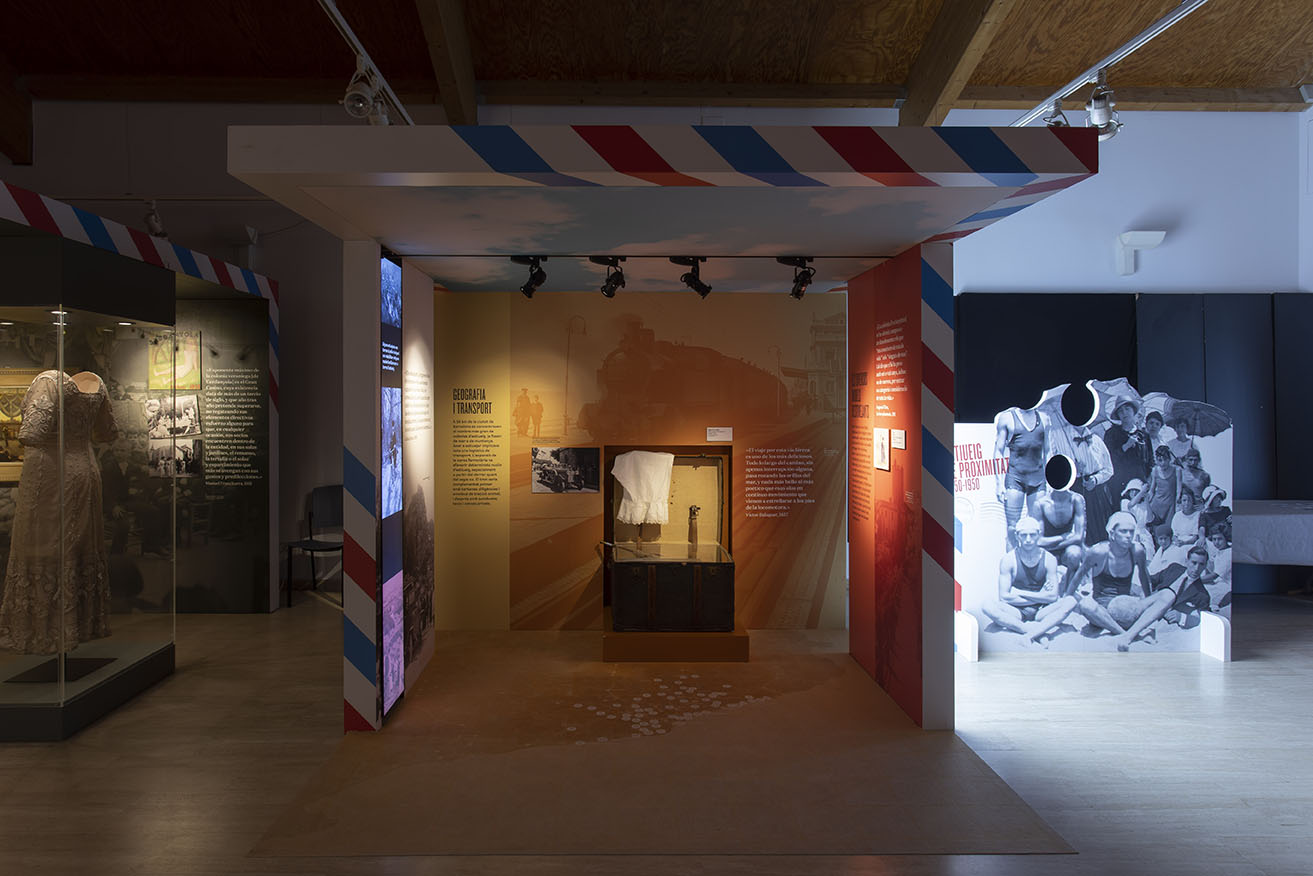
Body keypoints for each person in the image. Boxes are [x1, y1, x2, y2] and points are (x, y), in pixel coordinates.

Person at [1071, 511, 1175, 651]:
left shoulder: (1137, 550)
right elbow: (1078, 576)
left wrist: (1147, 604)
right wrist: (1066, 598)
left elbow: (1144, 578)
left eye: (1131, 532)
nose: (1128, 535)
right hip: (1104, 613)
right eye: (1123, 531)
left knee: (1167, 594)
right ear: (1112, 533)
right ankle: (1127, 635)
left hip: (1129, 608)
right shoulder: (1098, 552)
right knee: (1086, 604)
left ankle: (1129, 635)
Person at [981, 516, 1076, 644]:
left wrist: (1020, 593)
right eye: (1023, 535)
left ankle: (1028, 632)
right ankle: (1034, 632)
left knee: (1070, 601)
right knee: (987, 605)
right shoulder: (1009, 560)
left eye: (1032, 535)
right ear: (1017, 536)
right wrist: (1042, 595)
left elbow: (1053, 597)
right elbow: (1004, 597)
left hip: (1042, 610)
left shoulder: (1049, 559)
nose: (1028, 540)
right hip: (1016, 610)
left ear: (1038, 535)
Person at [993, 405, 1051, 549]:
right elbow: (998, 451)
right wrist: (999, 483)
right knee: (1013, 529)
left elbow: (1048, 451)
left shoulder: (1044, 418)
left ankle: (1033, 562)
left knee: (1036, 528)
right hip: (1015, 478)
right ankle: (1012, 562)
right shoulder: (1007, 418)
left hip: (1038, 478)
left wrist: (1050, 480)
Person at [1035, 485, 1086, 596]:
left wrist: (1053, 545)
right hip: (1049, 550)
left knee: (1075, 553)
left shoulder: (1076, 500)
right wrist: (1062, 537)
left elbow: (1079, 537)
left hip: (1061, 548)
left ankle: (1068, 593)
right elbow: (1038, 541)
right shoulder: (1041, 503)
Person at [1068, 423, 1115, 543]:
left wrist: (1096, 479)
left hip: (1096, 491)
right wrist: (1071, 469)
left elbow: (1109, 469)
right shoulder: (1061, 440)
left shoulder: (1097, 440)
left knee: (1101, 529)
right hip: (1074, 490)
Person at [1129, 445, 1178, 543]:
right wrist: (1146, 499)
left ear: (1169, 459)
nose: (1163, 463)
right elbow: (1152, 489)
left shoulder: (1176, 470)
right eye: (1160, 460)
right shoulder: (1155, 471)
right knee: (1157, 533)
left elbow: (1178, 490)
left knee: (1168, 531)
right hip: (1157, 505)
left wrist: (1178, 505)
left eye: (1165, 459)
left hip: (1170, 506)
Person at [1104, 397, 1149, 500]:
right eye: (1121, 411)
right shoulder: (1111, 434)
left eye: (1127, 409)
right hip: (1119, 483)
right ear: (1118, 416)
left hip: (1140, 483)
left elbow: (1149, 460)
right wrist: (1125, 446)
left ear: (1133, 411)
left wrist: (1147, 480)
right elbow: (1108, 460)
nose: (1124, 413)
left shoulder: (1143, 435)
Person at [1162, 545, 1212, 627]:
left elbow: (1201, 620)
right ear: (1187, 561)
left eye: (1201, 564)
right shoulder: (1173, 568)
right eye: (1194, 563)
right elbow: (1152, 580)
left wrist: (1181, 617)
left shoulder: (1203, 595)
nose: (1197, 568)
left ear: (1205, 566)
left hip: (1167, 624)